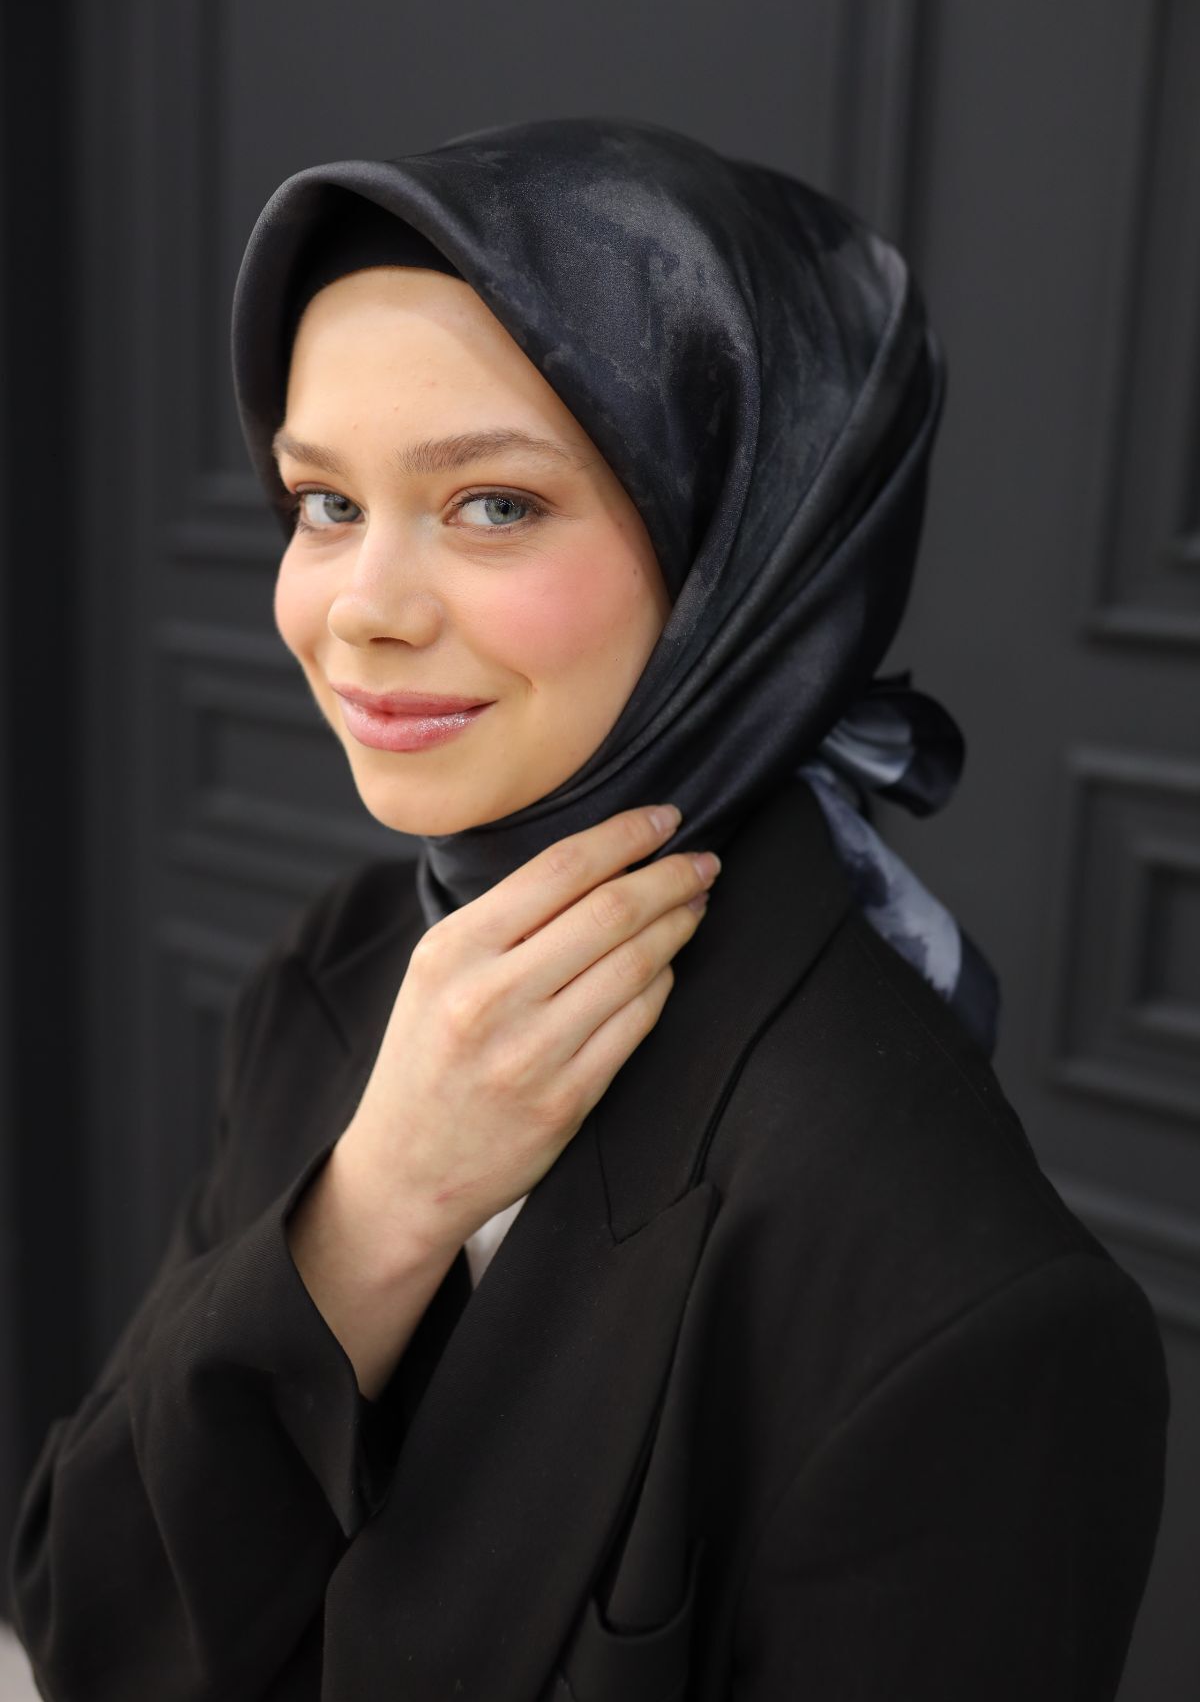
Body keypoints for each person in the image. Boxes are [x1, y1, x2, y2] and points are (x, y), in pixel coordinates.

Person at [7, 116, 1168, 1700]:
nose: (360, 611)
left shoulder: (958, 1304)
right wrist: (371, 1216)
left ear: (738, 545)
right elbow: (87, 1622)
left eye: (492, 504)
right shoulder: (339, 964)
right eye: (323, 502)